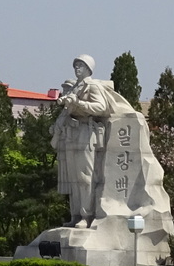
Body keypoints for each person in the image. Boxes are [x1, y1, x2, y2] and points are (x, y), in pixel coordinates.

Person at [51, 54, 137, 228]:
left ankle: (86, 215)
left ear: (88, 69)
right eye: (75, 66)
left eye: (80, 66)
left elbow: (101, 107)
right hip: (71, 134)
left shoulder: (92, 86)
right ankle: (75, 215)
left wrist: (79, 103)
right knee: (74, 179)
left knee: (85, 177)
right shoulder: (75, 86)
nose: (77, 69)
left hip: (85, 133)